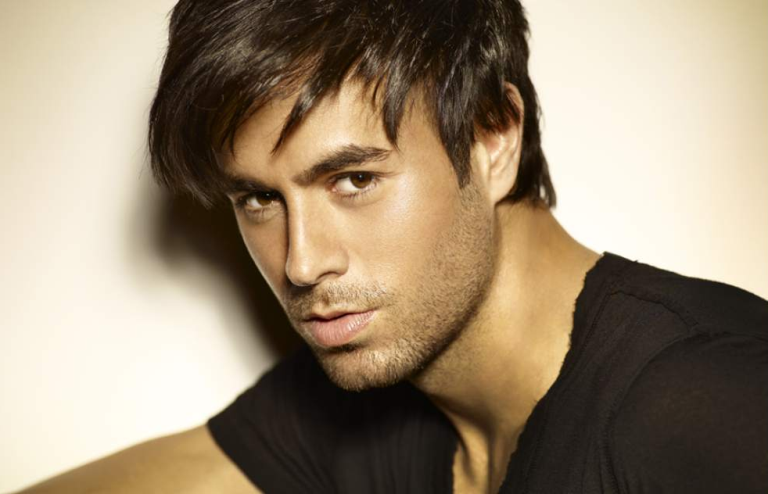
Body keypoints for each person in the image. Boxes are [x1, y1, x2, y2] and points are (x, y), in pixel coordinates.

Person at [17, 0, 767, 493]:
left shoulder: (708, 403)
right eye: (258, 199)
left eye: (353, 179)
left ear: (493, 138)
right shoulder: (363, 403)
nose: (302, 264)